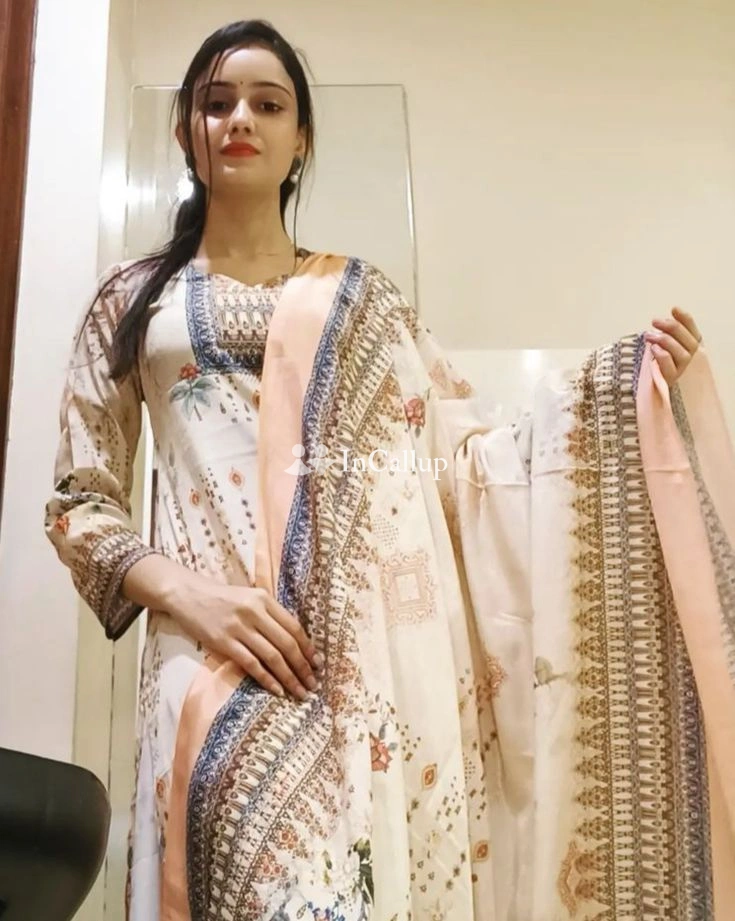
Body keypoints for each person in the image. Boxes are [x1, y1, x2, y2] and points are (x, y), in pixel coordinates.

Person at [46, 19, 731, 921]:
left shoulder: (362, 299)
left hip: (356, 673)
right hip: (204, 657)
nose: (239, 118)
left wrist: (623, 389)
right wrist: (194, 596)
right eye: (216, 103)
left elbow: (466, 461)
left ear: (301, 139)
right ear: (185, 131)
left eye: (267, 103)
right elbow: (80, 502)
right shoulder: (133, 298)